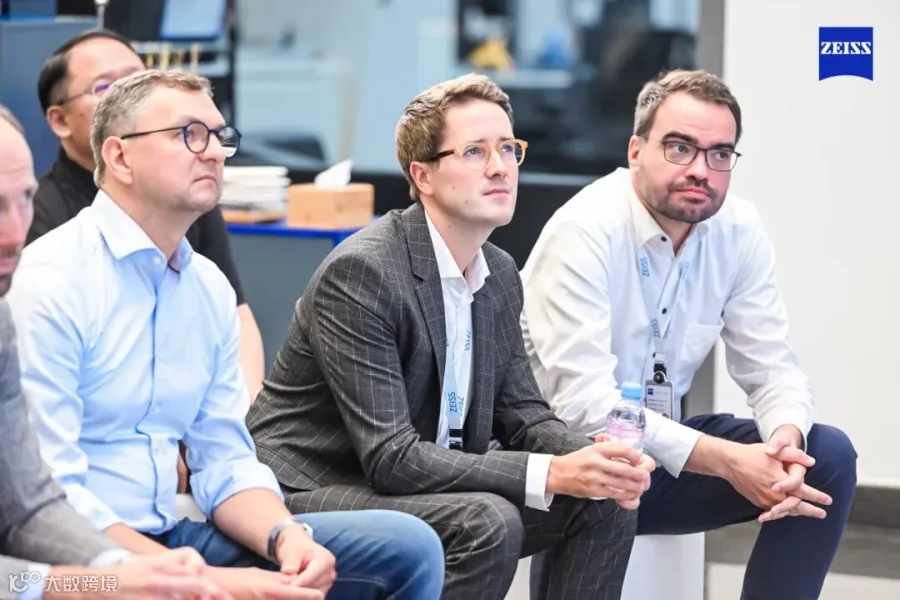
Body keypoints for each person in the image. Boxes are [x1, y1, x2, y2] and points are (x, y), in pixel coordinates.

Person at [7, 69, 444, 600]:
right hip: (79, 555)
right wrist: (193, 578)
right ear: (120, 158)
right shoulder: (52, 280)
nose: (214, 152)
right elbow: (48, 497)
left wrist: (286, 537)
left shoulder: (206, 287)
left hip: (172, 534)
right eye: (189, 135)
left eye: (219, 136)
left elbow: (224, 458)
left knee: (407, 547)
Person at [246, 73, 656, 600]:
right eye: (474, 151)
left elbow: (526, 416)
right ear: (423, 175)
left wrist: (598, 463)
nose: (499, 166)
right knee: (486, 522)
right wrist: (553, 472)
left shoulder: (499, 274)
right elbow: (391, 456)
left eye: (508, 148)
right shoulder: (364, 273)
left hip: (417, 485)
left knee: (603, 500)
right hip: (313, 487)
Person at [519, 69, 857, 600]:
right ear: (636, 151)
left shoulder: (737, 229)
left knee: (826, 457)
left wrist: (783, 445)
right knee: (609, 470)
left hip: (659, 451)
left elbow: (771, 367)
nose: (700, 170)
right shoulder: (584, 231)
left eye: (720, 154)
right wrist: (729, 461)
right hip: (570, 462)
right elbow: (582, 407)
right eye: (679, 148)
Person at [0, 104, 230, 600]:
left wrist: (125, 572)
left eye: (24, 200)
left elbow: (29, 510)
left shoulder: (1, 321)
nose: (15, 234)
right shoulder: (49, 282)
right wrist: (80, 584)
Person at [30, 29, 265, 404]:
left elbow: (237, 319)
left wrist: (248, 414)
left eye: (138, 78)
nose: (214, 153)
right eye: (105, 86)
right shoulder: (47, 250)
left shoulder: (194, 230)